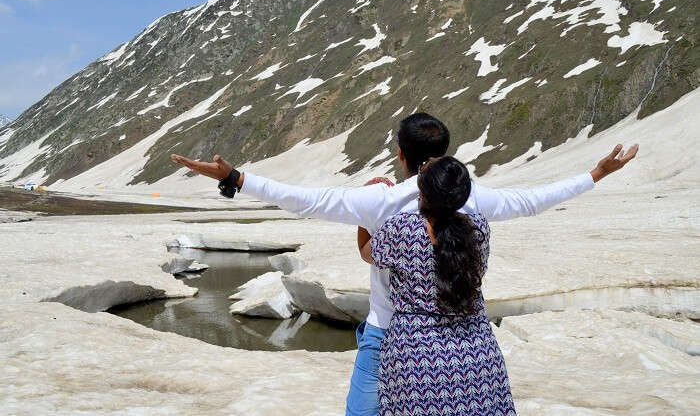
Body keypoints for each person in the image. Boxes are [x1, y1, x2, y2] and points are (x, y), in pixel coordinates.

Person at [170, 113, 638, 416]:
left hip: (392, 340)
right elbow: (532, 200)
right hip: (467, 343)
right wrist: (594, 174)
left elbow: (306, 201)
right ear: (448, 154)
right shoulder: (469, 199)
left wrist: (235, 176)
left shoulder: (384, 201)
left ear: (401, 154)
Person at [359, 156, 514, 415]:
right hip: (476, 353)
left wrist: (367, 210)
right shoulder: (479, 228)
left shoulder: (402, 229)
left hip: (415, 357)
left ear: (421, 191)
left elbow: (367, 252)